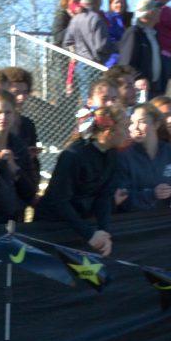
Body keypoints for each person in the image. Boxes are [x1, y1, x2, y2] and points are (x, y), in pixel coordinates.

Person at [36, 105, 125, 256]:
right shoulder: (73, 155)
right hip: (52, 227)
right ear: (110, 130)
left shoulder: (112, 154)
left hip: (81, 225)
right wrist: (89, 234)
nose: (129, 132)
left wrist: (103, 233)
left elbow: (104, 196)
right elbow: (59, 200)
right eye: (126, 127)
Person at [117, 103, 171, 211]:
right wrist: (152, 194)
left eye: (141, 122)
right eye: (132, 122)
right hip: (133, 222)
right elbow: (122, 198)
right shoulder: (124, 156)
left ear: (156, 124)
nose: (135, 127)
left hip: (162, 219)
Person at [0, 88, 40, 208]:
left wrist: (15, 169)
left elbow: (30, 192)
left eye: (8, 112)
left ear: (14, 115)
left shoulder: (20, 147)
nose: (3, 117)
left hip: (13, 214)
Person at [118, 0, 164, 93]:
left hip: (152, 88)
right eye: (157, 9)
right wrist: (137, 78)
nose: (160, 12)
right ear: (150, 13)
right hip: (137, 89)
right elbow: (126, 62)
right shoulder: (133, 33)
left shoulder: (153, 35)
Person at [63, 0, 114, 67]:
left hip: (80, 67)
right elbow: (102, 47)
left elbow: (68, 42)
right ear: (97, 0)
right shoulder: (97, 18)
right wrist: (118, 47)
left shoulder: (75, 19)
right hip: (96, 66)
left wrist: (76, 55)